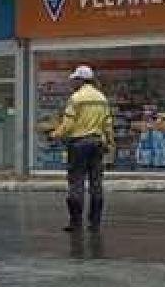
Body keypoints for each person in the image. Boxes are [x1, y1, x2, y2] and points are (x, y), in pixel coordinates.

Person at [49, 65, 115, 233]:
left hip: (78, 145)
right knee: (96, 184)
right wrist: (109, 142)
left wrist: (55, 134)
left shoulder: (76, 98)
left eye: (75, 80)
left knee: (76, 183)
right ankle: (95, 223)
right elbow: (108, 123)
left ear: (81, 80)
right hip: (97, 143)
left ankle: (76, 222)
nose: (73, 83)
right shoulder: (102, 98)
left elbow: (68, 124)